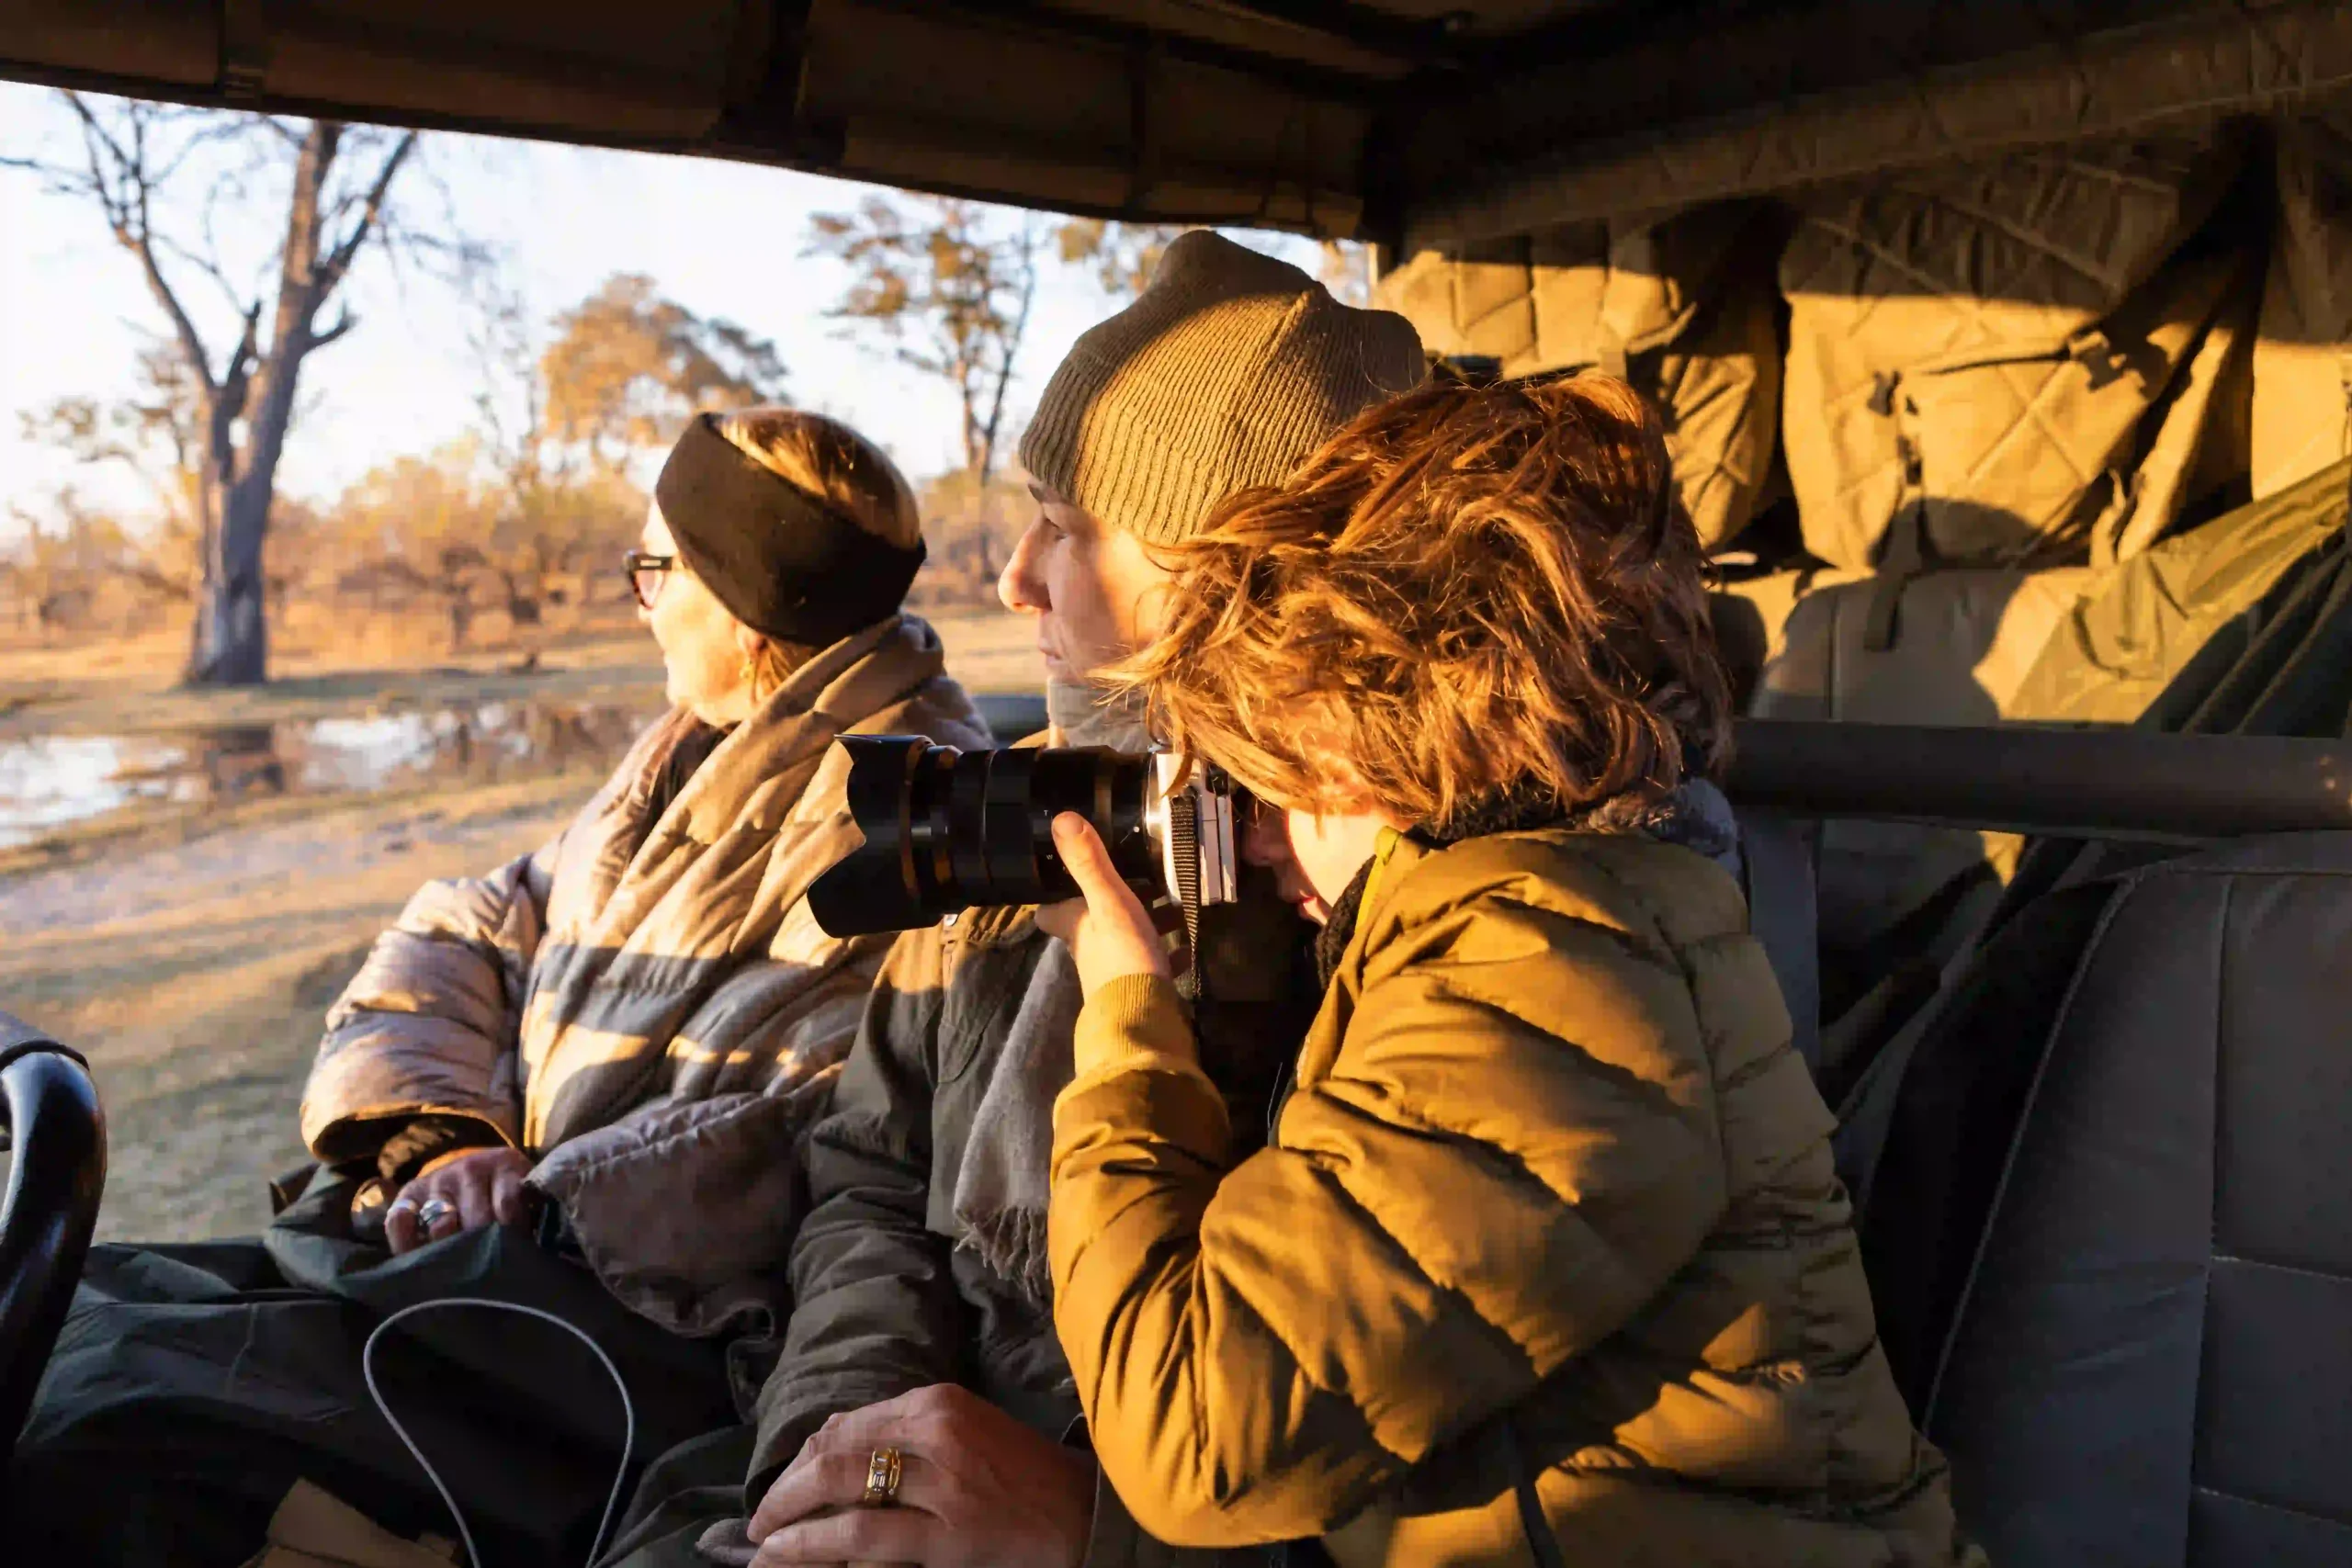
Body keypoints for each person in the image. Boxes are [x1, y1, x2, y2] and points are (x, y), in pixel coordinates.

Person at [1012, 373, 1977, 1563]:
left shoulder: (1554, 956)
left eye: (1272, 771)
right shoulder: (1535, 917)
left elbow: (1194, 1437)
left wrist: (1126, 1022)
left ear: (1373, 735)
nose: (1254, 834)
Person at [10, 408, 990, 1568]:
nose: (638, 601)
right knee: (85, 1313)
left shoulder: (911, 818)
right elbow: (476, 920)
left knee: (105, 1431)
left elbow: (827, 1122)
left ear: (744, 598)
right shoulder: (687, 754)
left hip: (624, 1333)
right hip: (484, 1256)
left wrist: (545, 1189)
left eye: (655, 569)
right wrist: (440, 1132)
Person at [599, 231, 1425, 1568]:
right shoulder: (1014, 826)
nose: (1014, 576)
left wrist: (1083, 1530)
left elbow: (1413, 1462)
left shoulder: (1399, 923)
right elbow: (870, 1177)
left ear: (1235, 578)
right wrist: (849, 1454)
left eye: (1073, 525)